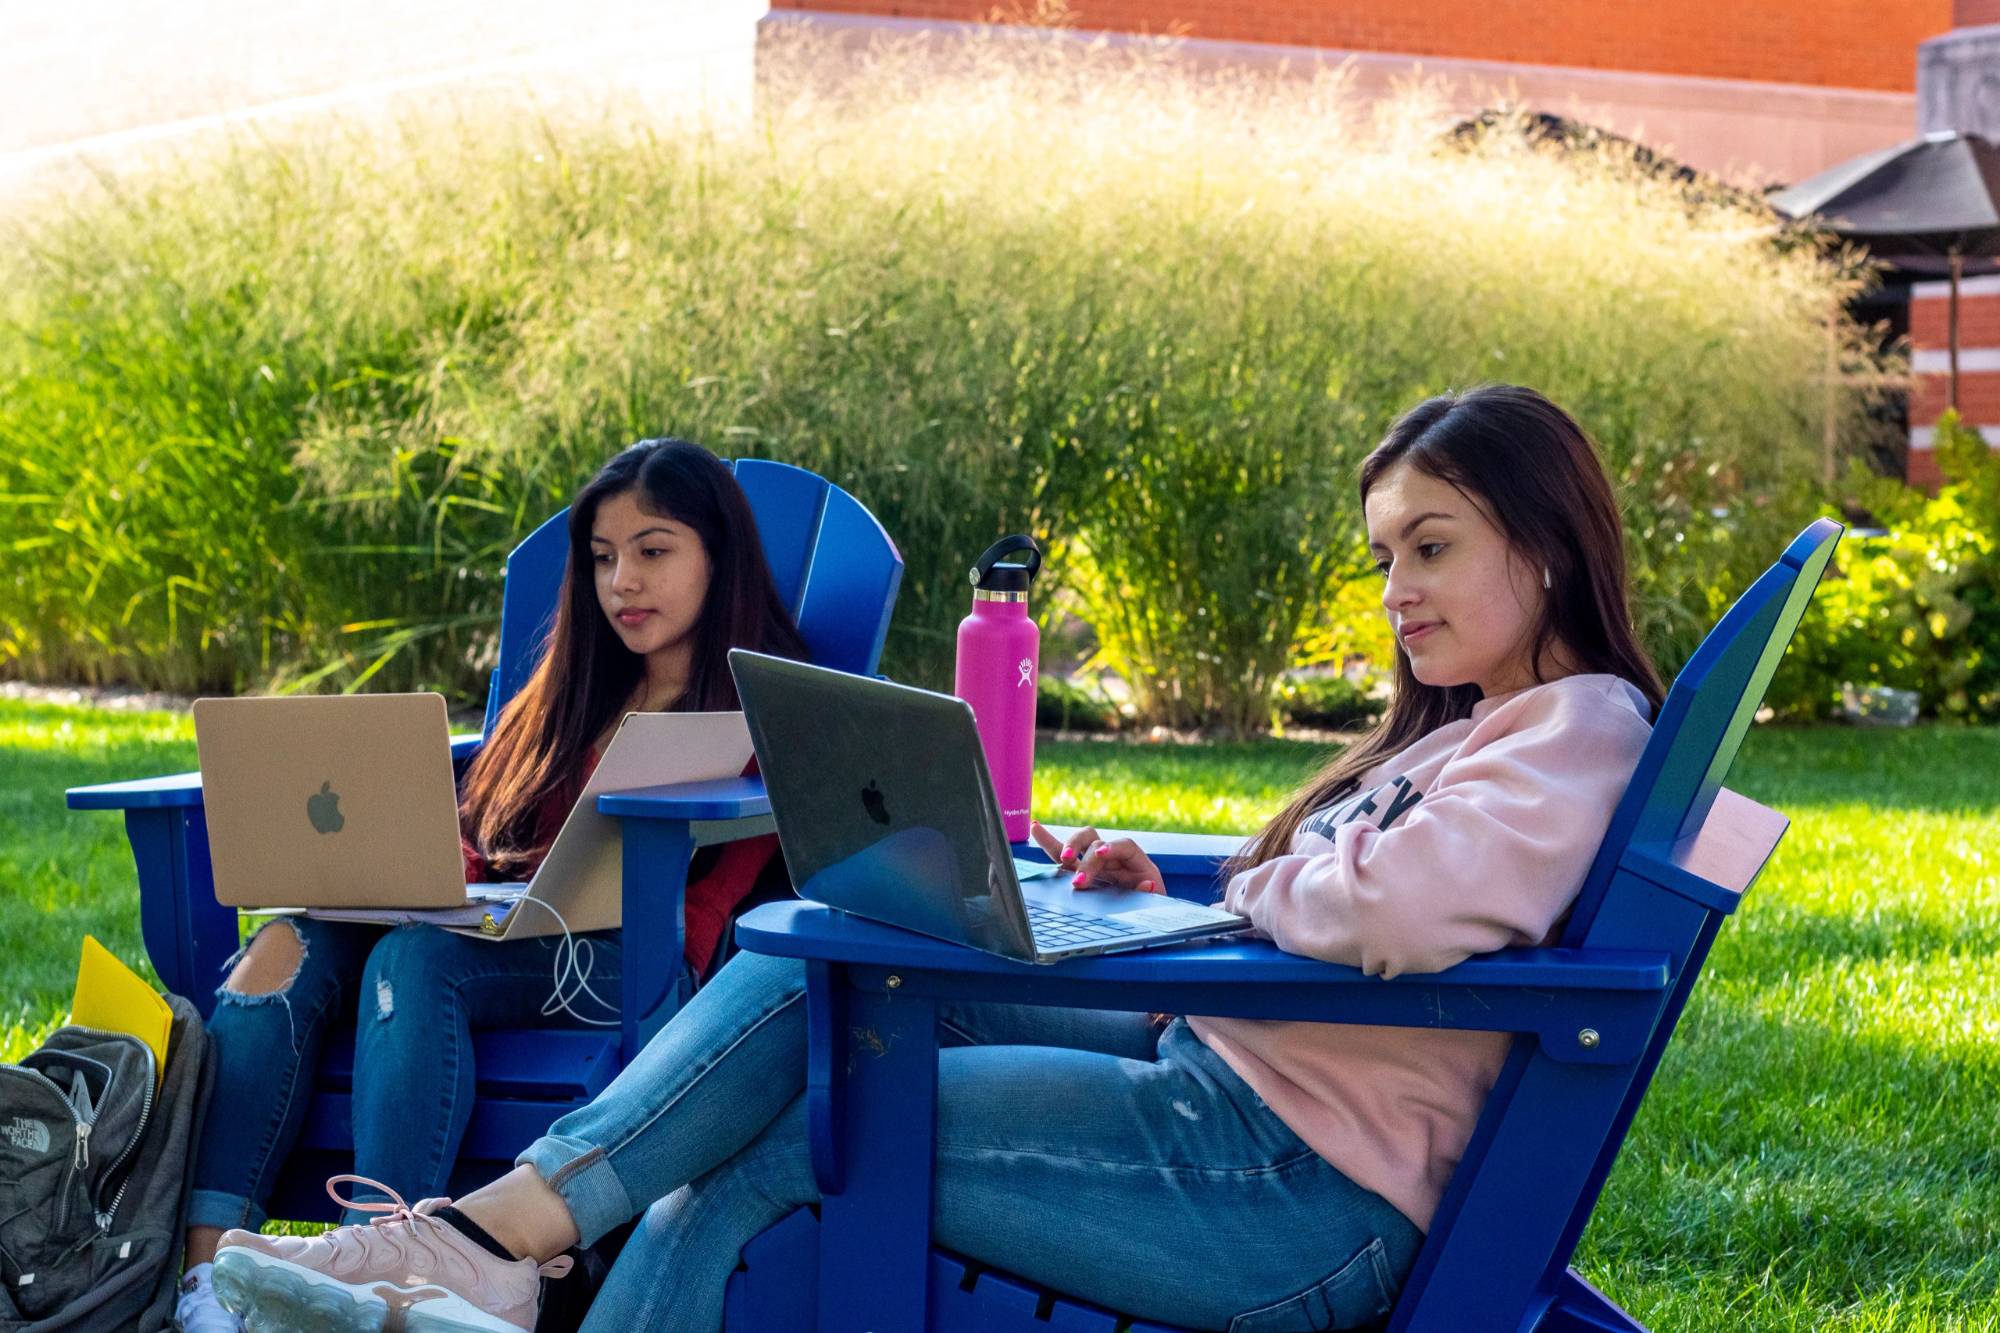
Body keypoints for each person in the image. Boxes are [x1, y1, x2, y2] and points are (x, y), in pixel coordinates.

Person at [209, 385, 1666, 1333]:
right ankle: (491, 1237)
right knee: (819, 959)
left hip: (1282, 1185)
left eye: (1433, 547)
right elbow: (1353, 885)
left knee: (805, 1126)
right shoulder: (1478, 731)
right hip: (1215, 1082)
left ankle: (482, 1249)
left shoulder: (1578, 727)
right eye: (1387, 557)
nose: (1399, 591)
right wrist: (1180, 889)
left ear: (1541, 546)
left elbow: (1394, 907)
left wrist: (1256, 891)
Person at [174, 439, 808, 1333]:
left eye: (653, 550)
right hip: (501, 928)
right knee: (281, 945)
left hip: (638, 959)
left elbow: (718, 907)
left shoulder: (761, 708)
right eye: (602, 557)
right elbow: (480, 839)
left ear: (719, 556)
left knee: (419, 958)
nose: (623, 578)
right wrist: (399, 873)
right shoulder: (573, 690)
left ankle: (376, 1264)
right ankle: (205, 1285)